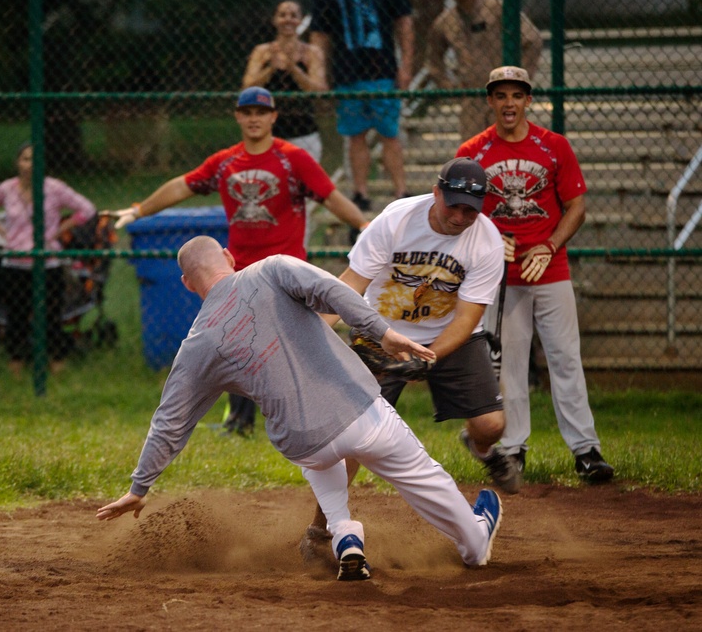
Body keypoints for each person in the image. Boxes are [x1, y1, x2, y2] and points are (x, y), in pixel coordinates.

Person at [96, 235, 503, 581]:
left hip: (303, 442)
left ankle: (345, 534)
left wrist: (139, 487)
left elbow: (170, 422)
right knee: (423, 478)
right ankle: (473, 541)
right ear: (229, 256)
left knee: (323, 466)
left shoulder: (197, 344)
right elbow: (334, 291)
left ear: (187, 284)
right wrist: (384, 333)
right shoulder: (270, 269)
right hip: (360, 414)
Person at [110, 86, 368, 434]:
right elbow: (182, 185)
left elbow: (330, 197)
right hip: (239, 272)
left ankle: (327, 411)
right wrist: (140, 209)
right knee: (240, 343)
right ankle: (239, 421)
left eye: (261, 112)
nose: (254, 119)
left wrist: (364, 225)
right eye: (247, 112)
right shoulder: (226, 162)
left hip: (284, 269)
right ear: (237, 116)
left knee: (298, 344)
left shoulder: (293, 158)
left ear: (273, 116)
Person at [301, 158, 517, 547]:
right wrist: (306, 332)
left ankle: (481, 449)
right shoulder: (396, 220)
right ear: (436, 194)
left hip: (450, 337)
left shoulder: (485, 240)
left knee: (492, 427)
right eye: (453, 204)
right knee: (355, 438)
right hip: (381, 334)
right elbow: (350, 286)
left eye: (471, 209)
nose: (460, 216)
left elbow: (466, 319)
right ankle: (321, 531)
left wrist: (425, 356)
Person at [457, 66, 614, 485]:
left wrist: (549, 245)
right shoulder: (474, 151)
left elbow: (576, 206)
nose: (509, 103)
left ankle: (586, 450)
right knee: (508, 363)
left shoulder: (553, 146)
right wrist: (489, 238)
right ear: (490, 102)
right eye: (500, 95)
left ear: (528, 100)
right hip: (500, 276)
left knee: (564, 357)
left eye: (516, 95)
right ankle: (512, 449)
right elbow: (460, 211)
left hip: (550, 269)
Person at [309, 0, 414, 218]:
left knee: (388, 133)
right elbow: (320, 35)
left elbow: (404, 23)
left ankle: (400, 191)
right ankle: (360, 192)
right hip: (346, 74)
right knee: (355, 135)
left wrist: (406, 65)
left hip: (382, 71)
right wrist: (319, 75)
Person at [0, 142, 96, 377]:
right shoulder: (6, 189)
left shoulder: (54, 188)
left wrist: (57, 232)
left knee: (51, 315)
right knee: (16, 315)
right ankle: (16, 363)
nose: (30, 164)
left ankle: (56, 363)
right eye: (25, 159)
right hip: (15, 262)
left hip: (48, 262)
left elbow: (86, 209)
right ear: (18, 162)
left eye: (35, 159)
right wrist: (5, 234)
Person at [243, 0, 329, 248]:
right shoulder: (263, 52)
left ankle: (298, 249)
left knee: (302, 196)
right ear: (275, 20)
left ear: (300, 20)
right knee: (268, 195)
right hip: (268, 138)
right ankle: (267, 248)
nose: (288, 19)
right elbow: (247, 87)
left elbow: (319, 90)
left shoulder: (311, 52)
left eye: (293, 15)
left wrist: (293, 68)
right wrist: (271, 67)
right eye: (282, 14)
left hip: (304, 134)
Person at [425, 0, 543, 143]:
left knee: (509, 150)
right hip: (472, 99)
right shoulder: (445, 22)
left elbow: (532, 39)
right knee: (473, 155)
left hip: (503, 96)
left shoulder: (496, 7)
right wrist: (450, 88)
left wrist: (519, 81)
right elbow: (433, 60)